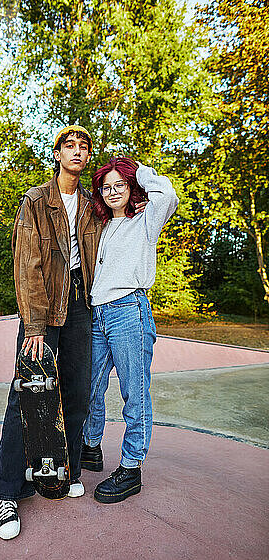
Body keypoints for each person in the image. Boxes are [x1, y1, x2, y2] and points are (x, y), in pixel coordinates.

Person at [0, 125, 102, 540]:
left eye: (83, 147)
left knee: (76, 391)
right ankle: (5, 492)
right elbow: (27, 264)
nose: (76, 152)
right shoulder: (37, 200)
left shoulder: (94, 205)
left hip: (80, 307)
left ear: (88, 156)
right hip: (43, 307)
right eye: (69, 146)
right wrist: (34, 324)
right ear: (57, 154)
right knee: (26, 395)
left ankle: (64, 468)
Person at [81, 157, 179, 503]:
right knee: (89, 388)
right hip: (98, 315)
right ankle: (90, 447)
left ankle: (131, 467)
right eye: (106, 187)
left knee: (133, 393)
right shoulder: (101, 227)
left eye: (118, 184)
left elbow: (167, 195)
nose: (111, 192)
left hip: (129, 312)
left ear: (130, 185)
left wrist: (137, 171)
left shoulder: (146, 221)